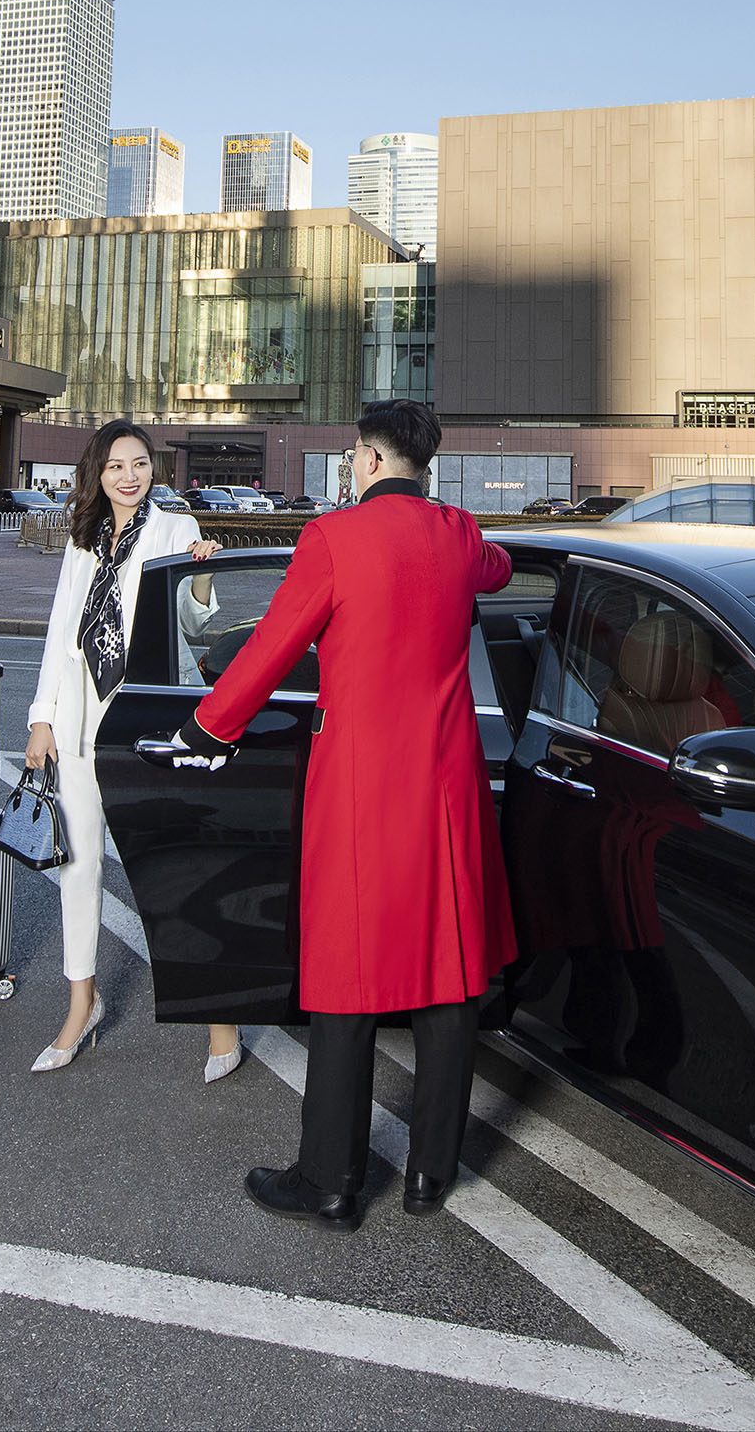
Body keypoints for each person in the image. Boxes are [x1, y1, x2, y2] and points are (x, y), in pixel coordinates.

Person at [175, 399, 515, 1231]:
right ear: (421, 464)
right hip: (445, 785)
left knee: (346, 978)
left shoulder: (333, 539)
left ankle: (328, 1180)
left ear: (364, 460)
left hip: (361, 781)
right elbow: (500, 569)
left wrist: (206, 725)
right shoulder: (460, 534)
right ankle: (432, 1174)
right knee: (450, 971)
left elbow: (273, 645)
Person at [23, 420, 236, 1079]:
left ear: (153, 470)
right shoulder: (84, 537)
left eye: (139, 463)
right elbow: (64, 631)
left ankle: (218, 1019)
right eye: (115, 465)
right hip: (83, 718)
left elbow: (196, 627)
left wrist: (201, 577)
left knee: (169, 863)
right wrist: (41, 719)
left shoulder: (173, 530)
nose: (128, 475)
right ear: (99, 472)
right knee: (79, 864)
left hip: (145, 715)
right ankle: (80, 1004)